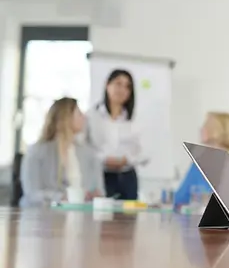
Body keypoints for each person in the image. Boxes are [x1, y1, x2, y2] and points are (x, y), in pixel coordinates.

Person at [20, 98, 104, 207]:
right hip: (45, 216)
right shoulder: (37, 152)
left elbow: (100, 191)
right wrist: (61, 197)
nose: (84, 117)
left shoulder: (90, 154)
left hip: (83, 214)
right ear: (66, 117)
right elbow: (31, 193)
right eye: (79, 114)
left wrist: (95, 195)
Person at [86, 69, 147, 200]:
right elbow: (86, 148)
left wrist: (127, 160)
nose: (122, 89)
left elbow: (144, 152)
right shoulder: (92, 116)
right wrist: (104, 159)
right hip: (101, 175)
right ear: (107, 85)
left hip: (127, 177)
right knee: (101, 218)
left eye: (127, 86)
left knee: (129, 218)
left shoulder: (135, 119)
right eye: (118, 84)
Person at [173, 112, 229, 207]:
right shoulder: (198, 164)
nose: (201, 129)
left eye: (206, 125)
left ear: (217, 130)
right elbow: (179, 199)